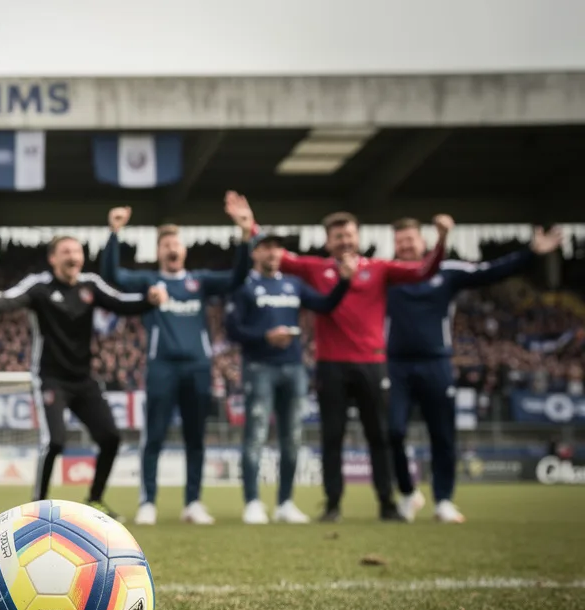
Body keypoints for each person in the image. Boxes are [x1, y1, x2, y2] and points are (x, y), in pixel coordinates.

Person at [225, 192, 449, 522]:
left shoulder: (379, 268)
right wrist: (249, 225)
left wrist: (442, 241)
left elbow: (422, 272)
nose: (344, 241)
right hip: (331, 364)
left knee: (379, 436)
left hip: (372, 362)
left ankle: (386, 503)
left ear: (358, 237)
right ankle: (332, 505)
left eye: (349, 235)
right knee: (332, 437)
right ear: (328, 242)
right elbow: (273, 254)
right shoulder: (315, 269)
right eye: (338, 236)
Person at [0, 235, 167, 514]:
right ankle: (37, 506)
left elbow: (121, 303)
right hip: (51, 379)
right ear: (53, 259)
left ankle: (95, 498)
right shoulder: (39, 286)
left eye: (77, 251)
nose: (73, 256)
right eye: (66, 251)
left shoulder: (90, 285)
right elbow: (7, 301)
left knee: (111, 438)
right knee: (55, 441)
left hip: (84, 379)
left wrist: (149, 300)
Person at [387, 220, 562, 523]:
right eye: (400, 241)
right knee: (393, 431)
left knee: (442, 434)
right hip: (396, 366)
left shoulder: (446, 270)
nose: (405, 246)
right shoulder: (386, 274)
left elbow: (488, 272)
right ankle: (407, 493)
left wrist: (531, 253)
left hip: (437, 363)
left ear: (422, 241)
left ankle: (443, 501)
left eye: (410, 239)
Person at [99, 207, 249, 525]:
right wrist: (114, 234)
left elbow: (238, 277)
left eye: (176, 243)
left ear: (184, 250)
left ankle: (192, 503)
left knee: (196, 438)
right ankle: (148, 503)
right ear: (158, 252)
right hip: (161, 367)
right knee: (154, 436)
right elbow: (114, 276)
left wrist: (245, 236)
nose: (171, 248)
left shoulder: (200, 281)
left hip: (198, 368)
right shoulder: (148, 281)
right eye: (165, 244)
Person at [225, 232, 354, 524]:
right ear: (255, 253)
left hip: (294, 368)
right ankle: (253, 503)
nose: (273, 253)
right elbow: (232, 329)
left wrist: (344, 281)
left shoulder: (294, 284)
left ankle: (285, 503)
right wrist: (265, 337)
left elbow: (325, 305)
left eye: (277, 248)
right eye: (266, 248)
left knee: (292, 438)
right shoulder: (244, 286)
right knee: (256, 435)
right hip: (259, 367)